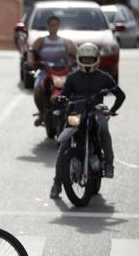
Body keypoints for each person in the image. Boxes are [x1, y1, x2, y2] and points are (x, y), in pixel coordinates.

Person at [50, 43, 125, 199]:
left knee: (103, 129)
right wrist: (60, 99)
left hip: (96, 111)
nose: (88, 61)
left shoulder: (104, 77)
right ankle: (57, 183)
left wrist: (112, 110)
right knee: (64, 144)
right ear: (79, 59)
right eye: (85, 58)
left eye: (91, 58)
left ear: (97, 59)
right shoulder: (72, 78)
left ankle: (109, 164)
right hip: (77, 113)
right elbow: (64, 95)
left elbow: (120, 95)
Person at [27, 15, 77, 126]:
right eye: (51, 24)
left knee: (75, 87)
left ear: (59, 26)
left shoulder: (66, 41)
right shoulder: (41, 41)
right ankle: (41, 114)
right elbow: (31, 52)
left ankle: (74, 112)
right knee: (38, 88)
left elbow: (78, 53)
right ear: (47, 26)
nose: (53, 27)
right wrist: (30, 60)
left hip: (64, 71)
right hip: (45, 71)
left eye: (55, 25)